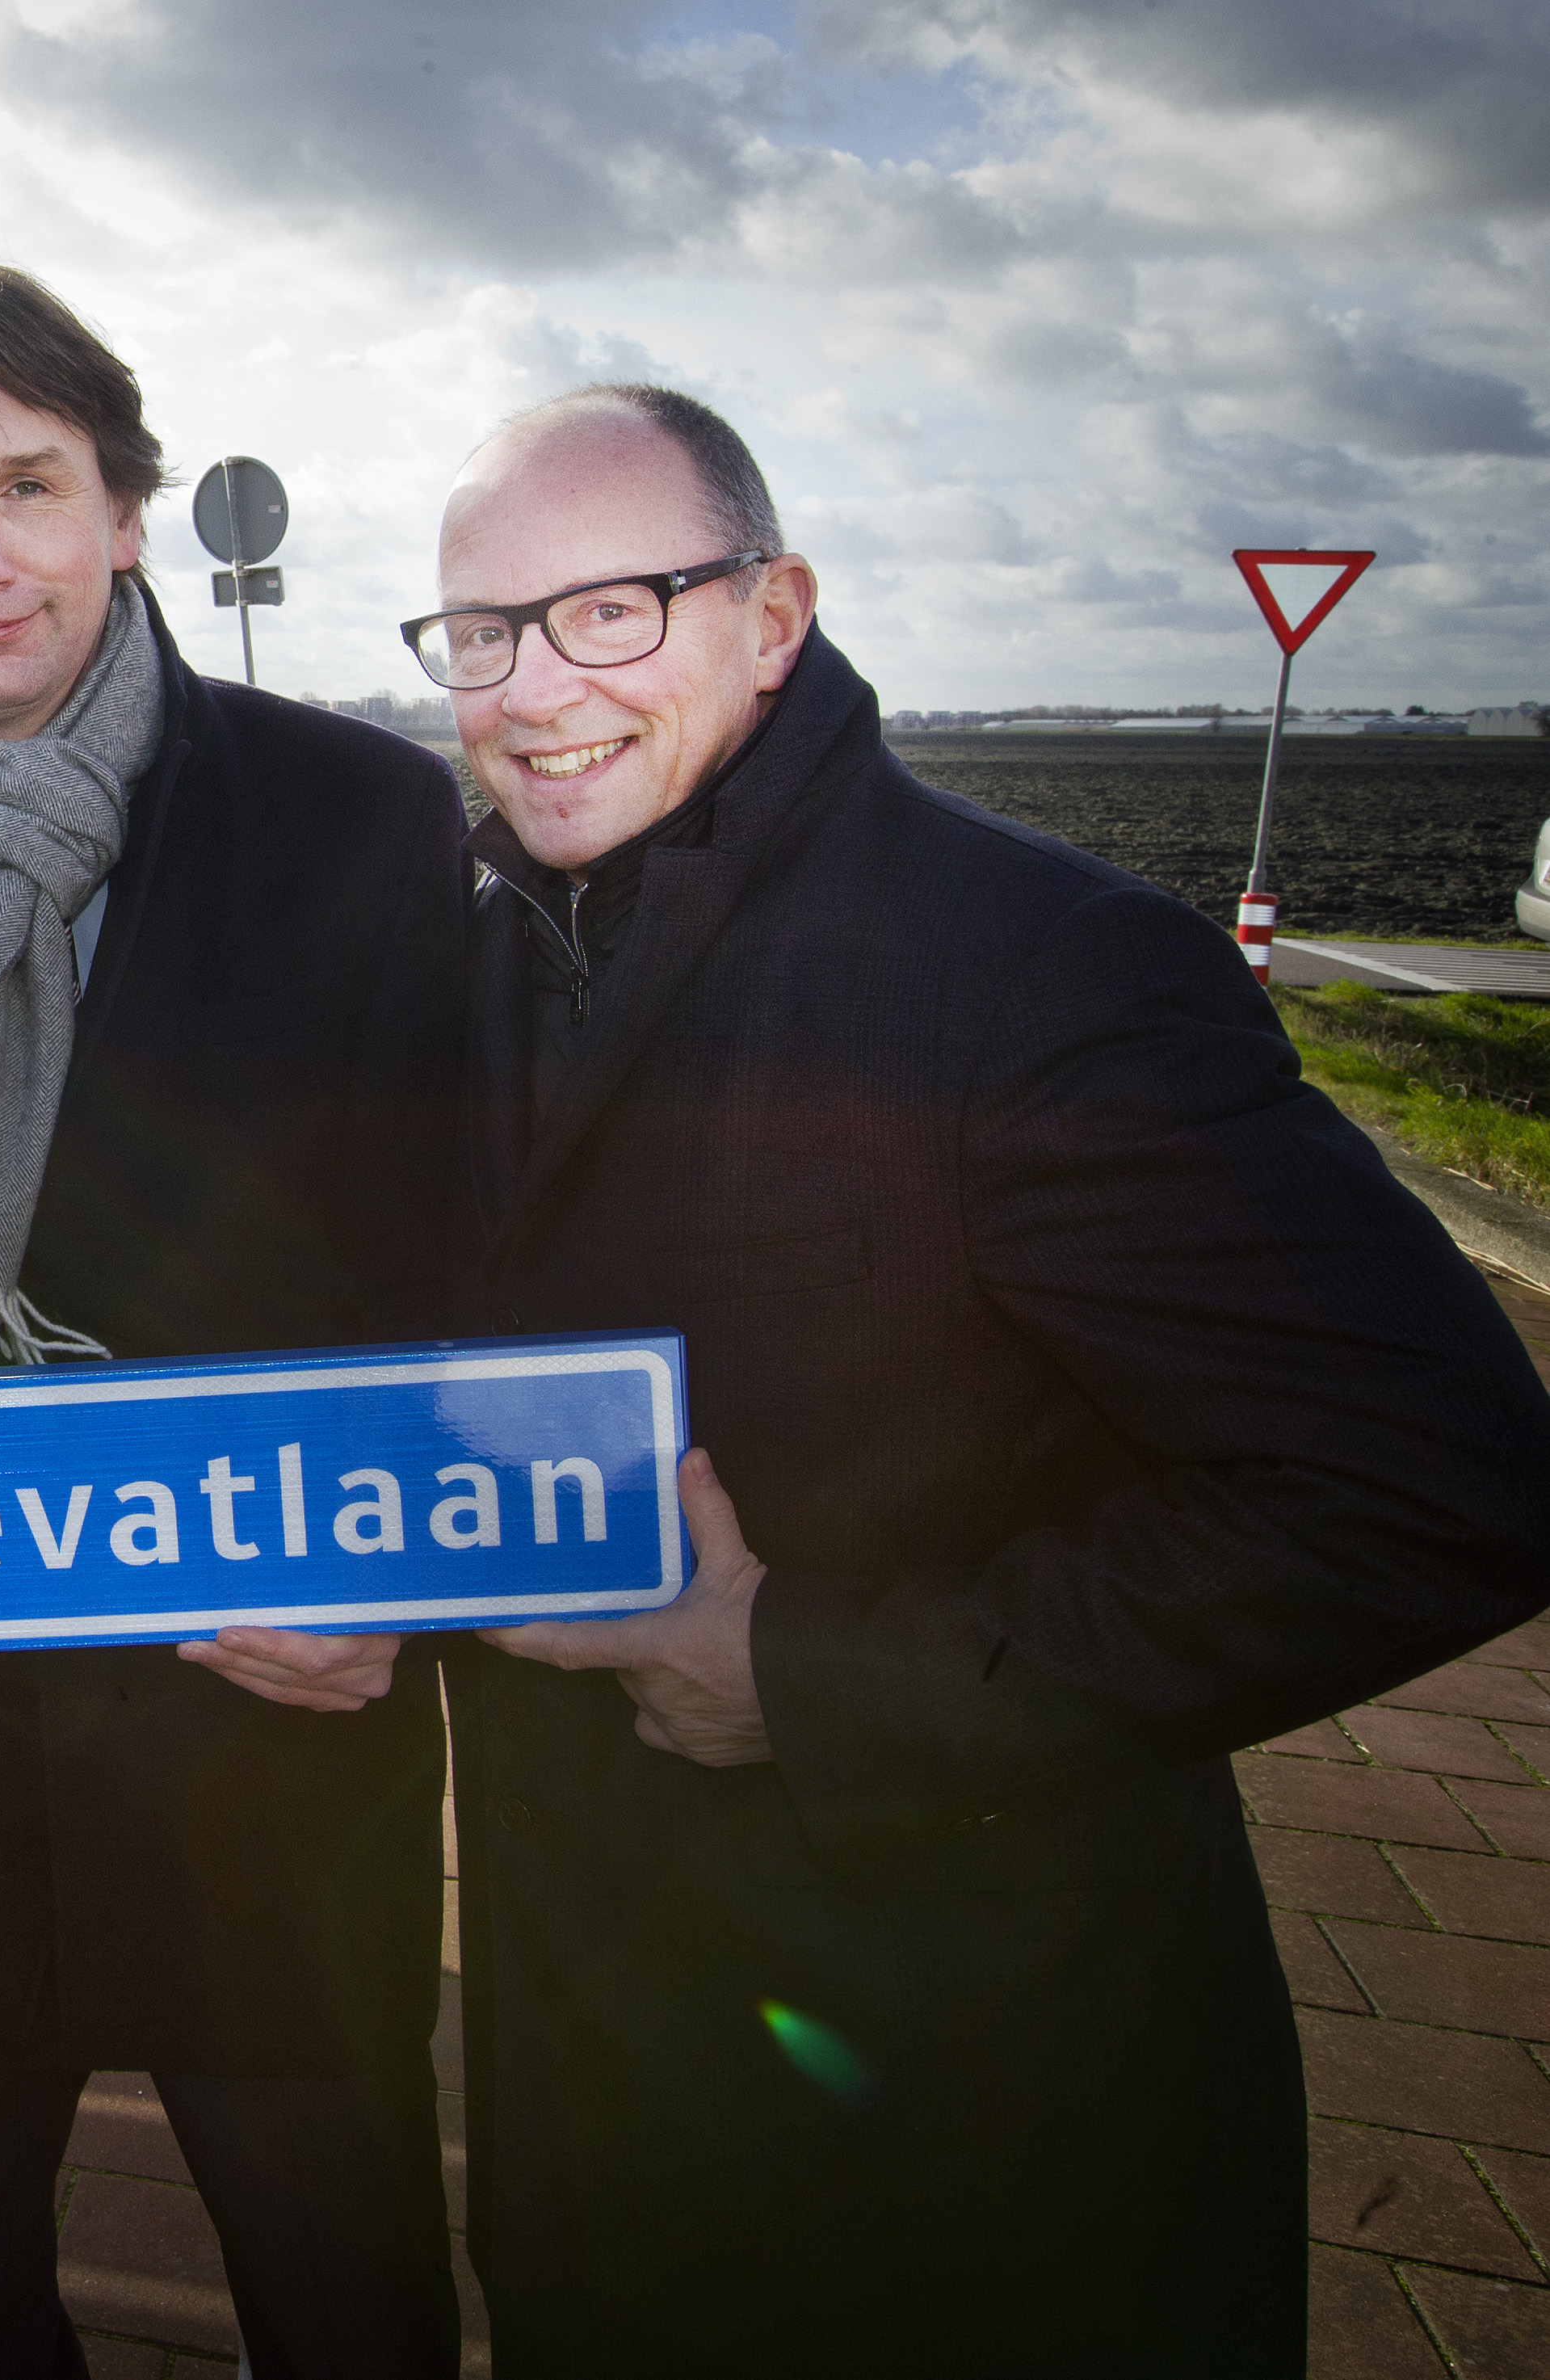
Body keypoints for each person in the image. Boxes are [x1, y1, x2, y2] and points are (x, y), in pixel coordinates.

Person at [225, 381, 1550, 2374]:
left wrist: (805, 1673)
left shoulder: (1038, 971)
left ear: (772, 616)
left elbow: (1435, 1488)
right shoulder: (468, 965)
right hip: (597, 2103)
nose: (531, 686)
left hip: (979, 2128)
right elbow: (485, 1390)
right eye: (480, 631)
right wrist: (368, 1582)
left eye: (610, 610)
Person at [0, 266, 469, 2377]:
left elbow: (454, 1262)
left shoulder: (353, 819)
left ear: (122, 511)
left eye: (25, 484)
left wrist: (406, 1585)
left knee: (344, 2292)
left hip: (258, 1750)